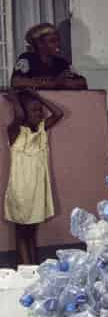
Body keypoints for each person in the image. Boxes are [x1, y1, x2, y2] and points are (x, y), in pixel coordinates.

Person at [4, 90, 63, 266]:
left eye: (40, 110)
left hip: (37, 190)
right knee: (22, 230)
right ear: (23, 112)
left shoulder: (42, 130)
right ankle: (26, 267)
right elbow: (20, 115)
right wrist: (15, 100)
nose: (40, 113)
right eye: (35, 111)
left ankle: (32, 265)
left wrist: (38, 98)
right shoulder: (14, 131)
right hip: (21, 190)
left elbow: (58, 113)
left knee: (31, 231)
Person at [11, 22, 87, 91]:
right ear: (39, 44)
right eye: (52, 41)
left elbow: (82, 82)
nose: (58, 44)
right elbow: (16, 82)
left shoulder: (61, 62)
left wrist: (65, 83)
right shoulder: (27, 58)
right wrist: (54, 83)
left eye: (58, 40)